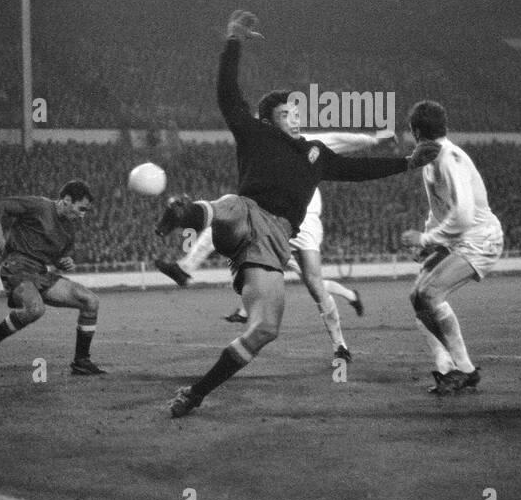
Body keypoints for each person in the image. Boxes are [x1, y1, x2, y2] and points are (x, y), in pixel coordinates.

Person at [156, 10, 439, 417]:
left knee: (266, 329)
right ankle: (184, 213)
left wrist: (407, 164)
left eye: (296, 112)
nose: (295, 117)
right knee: (232, 205)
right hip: (246, 215)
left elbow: (358, 170)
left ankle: (196, 393)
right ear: (269, 118)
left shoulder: (317, 154)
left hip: (274, 241)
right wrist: (233, 40)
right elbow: (227, 95)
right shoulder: (256, 134)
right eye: (286, 113)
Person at [156, 131, 383, 363]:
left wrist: (375, 140)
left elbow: (343, 140)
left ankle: (340, 343)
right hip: (268, 219)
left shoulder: (305, 143)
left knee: (314, 284)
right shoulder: (263, 144)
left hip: (304, 223)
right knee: (227, 216)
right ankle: (185, 268)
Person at [399, 100, 504, 394]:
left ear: (416, 131)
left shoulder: (449, 159)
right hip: (458, 238)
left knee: (429, 293)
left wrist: (426, 240)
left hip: (479, 240)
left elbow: (463, 215)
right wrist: (428, 238)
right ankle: (447, 368)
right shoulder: (431, 160)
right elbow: (439, 211)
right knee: (417, 297)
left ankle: (464, 370)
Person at [0, 180, 105, 378]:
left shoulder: (69, 230)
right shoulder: (40, 206)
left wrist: (63, 262)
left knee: (90, 301)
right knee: (35, 309)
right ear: (67, 200)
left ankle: (81, 362)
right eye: (81, 208)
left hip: (41, 273)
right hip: (17, 267)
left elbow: (55, 257)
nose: (83, 215)